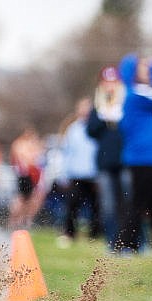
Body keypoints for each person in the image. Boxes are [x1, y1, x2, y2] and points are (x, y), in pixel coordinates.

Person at [86, 65, 127, 251]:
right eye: (106, 81)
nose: (110, 85)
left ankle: (132, 242)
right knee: (108, 206)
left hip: (125, 161)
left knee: (128, 202)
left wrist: (119, 118)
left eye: (113, 81)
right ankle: (113, 243)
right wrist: (102, 117)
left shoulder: (126, 103)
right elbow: (90, 131)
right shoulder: (97, 106)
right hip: (105, 163)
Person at [118, 53, 152, 253]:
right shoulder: (133, 96)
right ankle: (126, 244)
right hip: (142, 159)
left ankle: (136, 244)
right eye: (143, 67)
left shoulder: (145, 94)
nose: (147, 69)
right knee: (138, 203)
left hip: (148, 158)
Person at [56, 97, 101, 247]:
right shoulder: (73, 129)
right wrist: (64, 174)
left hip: (93, 174)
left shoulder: (98, 128)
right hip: (75, 174)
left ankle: (94, 235)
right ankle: (69, 233)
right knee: (72, 205)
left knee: (96, 207)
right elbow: (67, 153)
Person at [8, 125, 45, 229]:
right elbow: (29, 159)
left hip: (31, 175)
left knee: (31, 199)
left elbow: (38, 156)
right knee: (22, 198)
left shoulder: (29, 145)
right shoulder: (20, 144)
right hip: (24, 175)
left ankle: (24, 219)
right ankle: (15, 221)